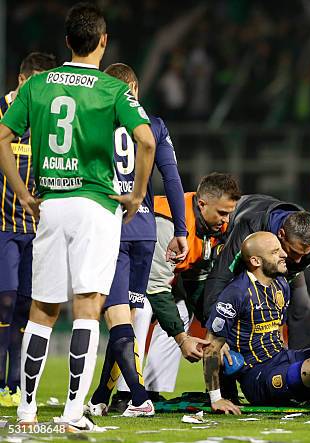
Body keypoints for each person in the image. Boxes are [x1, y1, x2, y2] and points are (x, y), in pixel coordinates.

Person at [0, 3, 156, 430]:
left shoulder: (39, 86)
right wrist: (137, 194)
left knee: (42, 309)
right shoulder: (112, 89)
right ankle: (72, 414)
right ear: (103, 42)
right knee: (88, 307)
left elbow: (2, 135)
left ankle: (27, 412)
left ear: (67, 41)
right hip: (96, 207)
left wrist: (20, 191)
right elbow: (145, 141)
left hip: (51, 204)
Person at [85, 63, 190, 418]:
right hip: (145, 232)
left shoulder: (94, 122)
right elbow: (172, 180)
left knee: (116, 319)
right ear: (134, 87)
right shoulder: (155, 126)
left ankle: (139, 398)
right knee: (125, 318)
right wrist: (180, 230)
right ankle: (101, 395)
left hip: (111, 229)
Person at [109, 173, 240, 411]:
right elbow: (154, 286)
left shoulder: (210, 224)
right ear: (202, 204)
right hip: (112, 270)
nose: (226, 219)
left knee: (181, 309)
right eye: (222, 212)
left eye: (229, 212)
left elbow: (196, 284)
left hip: (147, 277)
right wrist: (182, 340)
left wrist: (215, 335)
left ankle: (150, 390)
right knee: (140, 308)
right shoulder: (168, 223)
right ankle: (126, 393)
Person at [203, 232, 310, 414]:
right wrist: (217, 399)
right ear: (256, 261)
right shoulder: (236, 293)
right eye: (275, 252)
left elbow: (277, 329)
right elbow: (210, 348)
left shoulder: (282, 285)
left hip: (283, 358)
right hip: (258, 377)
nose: (284, 255)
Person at [0, 52, 57, 408]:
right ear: (22, 81)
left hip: (36, 230)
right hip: (2, 226)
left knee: (25, 306)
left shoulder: (48, 121)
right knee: (4, 301)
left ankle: (16, 384)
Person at [204, 194, 310, 349]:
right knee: (238, 295)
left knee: (302, 306)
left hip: (278, 259)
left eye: (302, 254)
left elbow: (284, 286)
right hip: (236, 227)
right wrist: (214, 333)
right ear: (282, 234)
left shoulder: (308, 249)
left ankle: (300, 365)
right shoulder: (249, 227)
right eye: (294, 252)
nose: (298, 260)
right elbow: (221, 276)